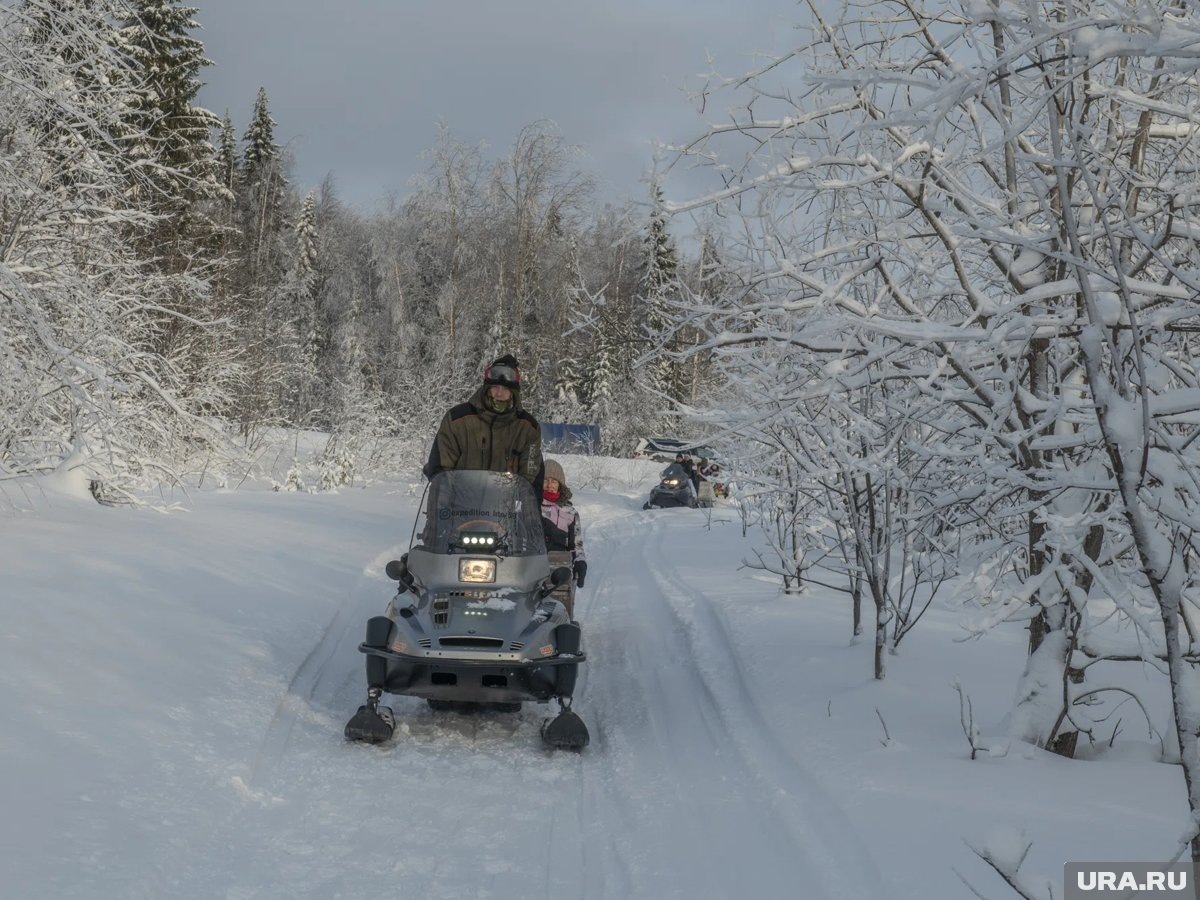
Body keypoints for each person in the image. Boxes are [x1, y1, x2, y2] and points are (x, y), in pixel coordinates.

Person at [423, 353, 544, 496]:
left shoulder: (527, 428)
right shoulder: (458, 420)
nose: (499, 393)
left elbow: (531, 478)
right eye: (495, 387)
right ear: (486, 388)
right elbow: (440, 468)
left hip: (505, 511)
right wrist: (442, 507)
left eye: (505, 389)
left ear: (513, 393)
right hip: (460, 507)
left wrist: (528, 512)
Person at [541, 458, 587, 589]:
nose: (549, 484)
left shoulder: (570, 513)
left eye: (554, 481)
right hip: (531, 563)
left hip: (559, 567)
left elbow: (577, 545)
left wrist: (580, 562)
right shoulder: (530, 505)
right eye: (546, 480)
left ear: (560, 484)